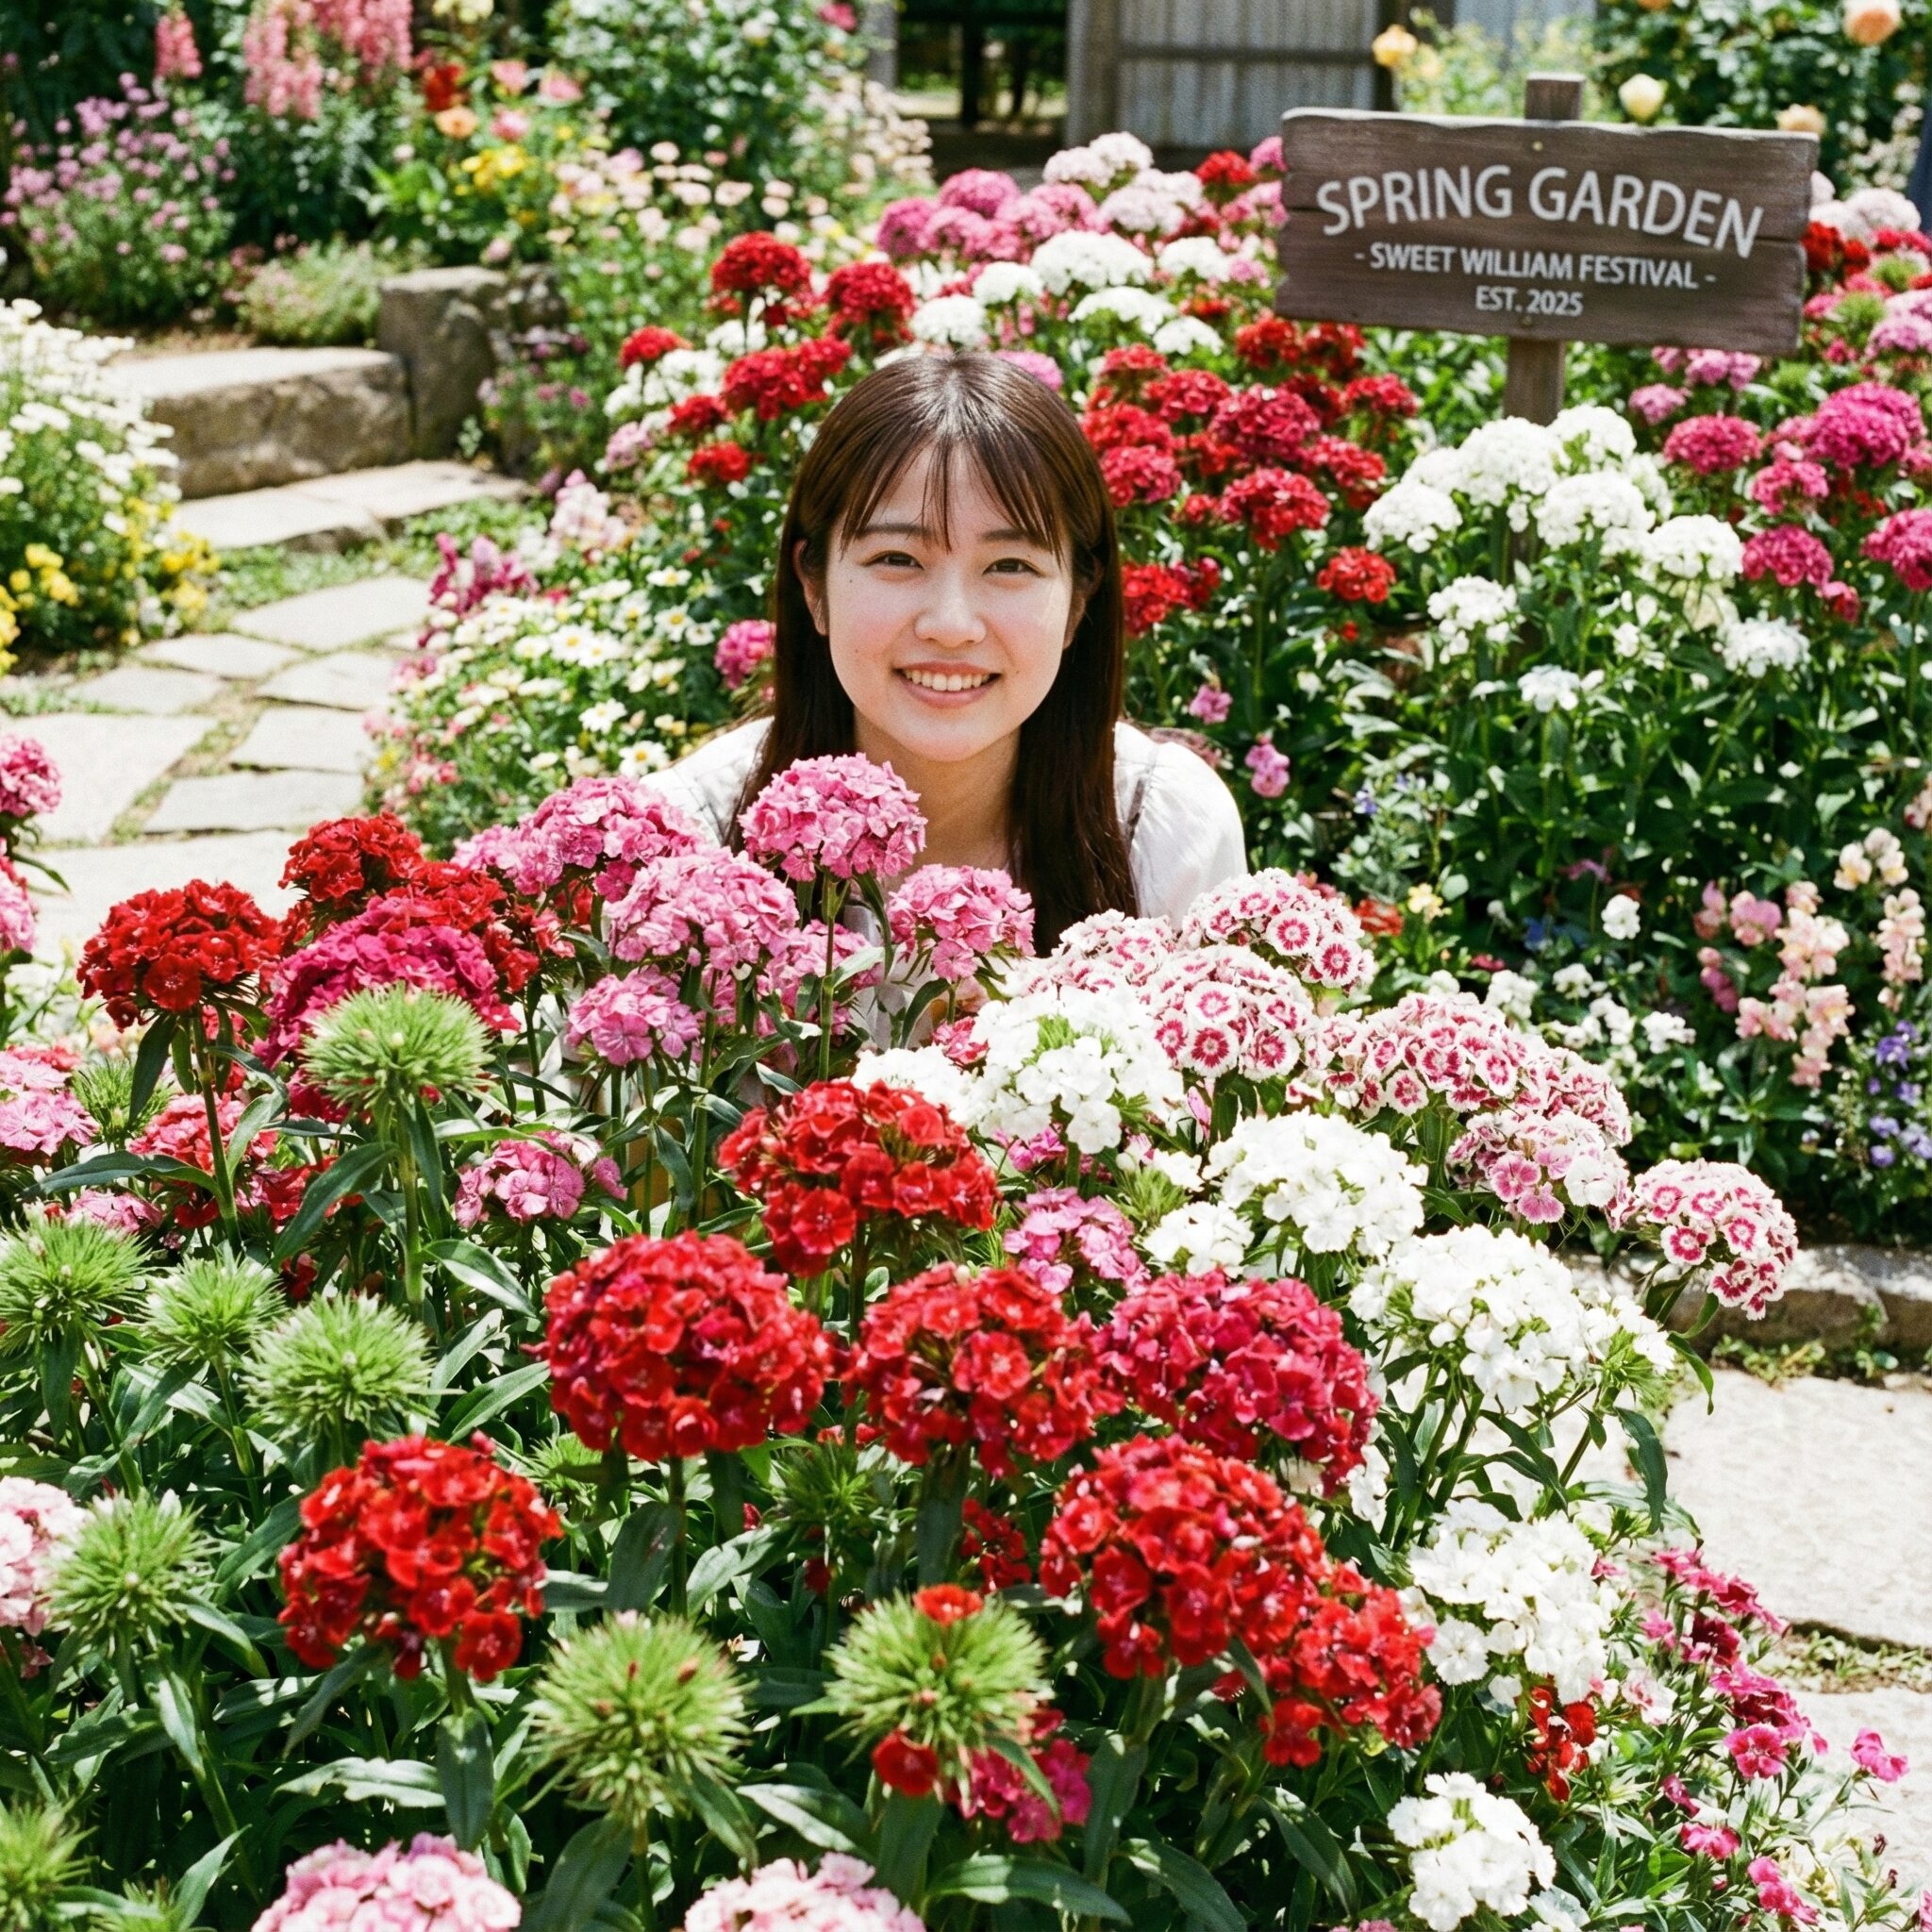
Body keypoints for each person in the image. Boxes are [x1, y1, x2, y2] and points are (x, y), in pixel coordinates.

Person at [644, 352, 1247, 945]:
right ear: (814, 584)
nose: (952, 625)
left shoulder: (1163, 832)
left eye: (1010, 565)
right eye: (898, 559)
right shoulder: (689, 838)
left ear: (1079, 601)